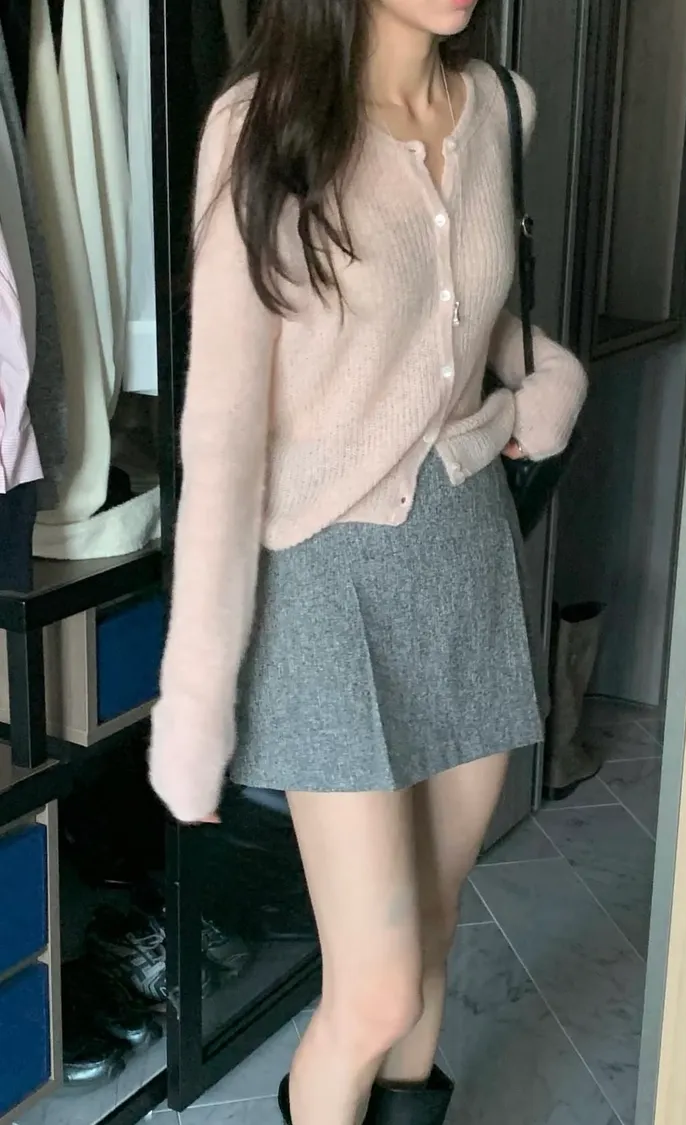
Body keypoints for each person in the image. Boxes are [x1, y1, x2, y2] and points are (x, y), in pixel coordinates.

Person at [148, 0, 587, 1122]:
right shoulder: (263, 126)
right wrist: (195, 701)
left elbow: (467, 315)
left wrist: (549, 379)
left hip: (466, 553)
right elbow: (223, 432)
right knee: (378, 987)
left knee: (432, 934)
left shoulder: (498, 108)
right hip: (325, 582)